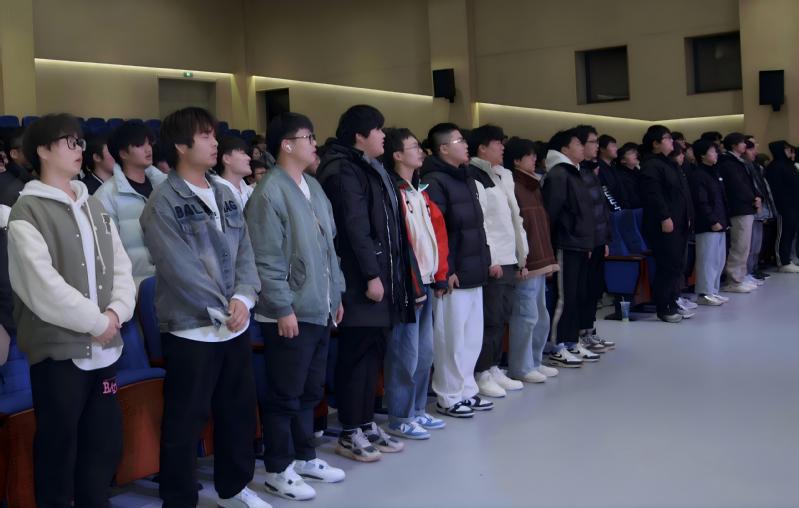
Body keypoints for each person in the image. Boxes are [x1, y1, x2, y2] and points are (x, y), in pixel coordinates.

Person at [140, 107, 268, 508]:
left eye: (214, 135)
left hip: (234, 324)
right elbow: (180, 269)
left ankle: (234, 488)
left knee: (238, 412)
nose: (215, 143)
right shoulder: (163, 202)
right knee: (186, 420)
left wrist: (244, 298)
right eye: (206, 136)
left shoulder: (225, 193)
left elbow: (245, 251)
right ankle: (179, 498)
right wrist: (224, 306)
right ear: (181, 146)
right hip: (192, 327)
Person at [7, 113, 136, 507]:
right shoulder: (27, 211)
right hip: (60, 353)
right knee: (59, 449)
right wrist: (97, 322)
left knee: (103, 444)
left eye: (80, 141)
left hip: (105, 347)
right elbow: (42, 287)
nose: (79, 148)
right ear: (43, 151)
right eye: (69, 141)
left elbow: (121, 267)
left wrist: (116, 313)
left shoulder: (93, 205)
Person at [246, 113, 346, 501]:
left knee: (309, 390)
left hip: (318, 306)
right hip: (289, 312)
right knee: (284, 394)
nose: (315, 144)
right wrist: (282, 308)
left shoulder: (313, 187)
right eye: (309, 137)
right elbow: (266, 259)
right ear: (286, 145)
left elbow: (329, 248)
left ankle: (305, 457)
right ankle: (278, 468)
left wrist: (336, 295)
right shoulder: (269, 192)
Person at [316, 105, 410, 461]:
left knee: (373, 354)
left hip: (380, 275)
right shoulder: (342, 170)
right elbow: (355, 228)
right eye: (378, 129)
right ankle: (350, 430)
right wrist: (371, 275)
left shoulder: (368, 167)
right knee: (356, 355)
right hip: (359, 280)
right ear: (359, 135)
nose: (384, 136)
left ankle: (366, 422)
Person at [420, 122, 494, 417]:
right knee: (451, 338)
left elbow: (477, 226)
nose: (466, 145)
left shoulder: (465, 177)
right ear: (443, 148)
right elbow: (436, 231)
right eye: (459, 141)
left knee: (472, 336)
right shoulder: (434, 181)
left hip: (474, 268)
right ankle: (448, 395)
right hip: (454, 273)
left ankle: (467, 390)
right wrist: (446, 269)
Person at [381, 127, 449, 438]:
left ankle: (418, 410)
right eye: (413, 147)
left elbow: (435, 236)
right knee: (404, 354)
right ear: (397, 155)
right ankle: (400, 415)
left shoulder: (419, 190)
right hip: (408, 285)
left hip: (428, 278)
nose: (420, 151)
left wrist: (440, 273)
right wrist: (412, 283)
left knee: (425, 353)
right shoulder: (393, 191)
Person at [467, 124, 529, 398]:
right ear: (482, 148)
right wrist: (490, 258)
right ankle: (481, 372)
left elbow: (515, 218)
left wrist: (522, 255)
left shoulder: (502, 175)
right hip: (494, 258)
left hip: (510, 255)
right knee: (490, 319)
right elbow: (482, 223)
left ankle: (493, 367)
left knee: (502, 316)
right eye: (497, 143)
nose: (502, 147)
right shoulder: (475, 175)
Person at [503, 137, 560, 383]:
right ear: (516, 160)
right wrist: (521, 260)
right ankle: (521, 367)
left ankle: (535, 361)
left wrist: (549, 260)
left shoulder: (533, 185)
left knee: (540, 315)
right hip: (526, 261)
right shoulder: (514, 185)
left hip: (539, 258)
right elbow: (517, 229)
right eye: (530, 155)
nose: (535, 159)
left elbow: (541, 227)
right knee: (525, 316)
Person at [541, 128, 594, 365]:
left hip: (579, 243)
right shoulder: (558, 174)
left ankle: (572, 340)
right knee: (564, 297)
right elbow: (551, 214)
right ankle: (556, 345)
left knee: (577, 295)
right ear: (564, 149)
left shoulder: (574, 172)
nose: (582, 147)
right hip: (565, 242)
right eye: (578, 144)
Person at [95, 121, 167, 285]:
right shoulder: (107, 195)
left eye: (149, 143)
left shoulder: (164, 186)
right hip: (135, 285)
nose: (148, 149)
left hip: (170, 281)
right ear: (123, 153)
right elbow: (107, 251)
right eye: (140, 145)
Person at [638, 125, 694, 323]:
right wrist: (664, 217)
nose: (672, 142)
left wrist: (687, 215)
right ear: (655, 143)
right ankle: (664, 307)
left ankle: (673, 301)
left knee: (677, 264)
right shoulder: (651, 165)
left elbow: (682, 193)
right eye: (667, 138)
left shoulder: (669, 163)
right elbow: (653, 195)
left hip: (679, 220)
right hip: (663, 222)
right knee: (667, 265)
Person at [576, 125, 615, 354]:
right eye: (592, 142)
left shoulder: (591, 171)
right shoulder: (576, 173)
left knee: (594, 288)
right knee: (584, 289)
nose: (596, 146)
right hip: (586, 243)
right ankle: (581, 332)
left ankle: (590, 330)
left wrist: (605, 238)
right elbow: (583, 212)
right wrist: (589, 240)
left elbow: (601, 209)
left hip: (599, 240)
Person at [718, 132, 761, 293]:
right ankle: (733, 279)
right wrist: (752, 198)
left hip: (746, 206)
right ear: (734, 145)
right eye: (742, 142)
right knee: (740, 244)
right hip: (739, 207)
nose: (745, 145)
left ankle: (741, 276)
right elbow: (737, 186)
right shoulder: (728, 163)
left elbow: (749, 183)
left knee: (745, 245)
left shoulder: (738, 161)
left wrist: (757, 196)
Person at [688, 139, 729, 306]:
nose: (715, 154)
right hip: (707, 224)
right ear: (702, 155)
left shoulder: (714, 172)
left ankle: (713, 290)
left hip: (720, 222)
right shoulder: (698, 175)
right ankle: (704, 293)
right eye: (712, 151)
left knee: (718, 260)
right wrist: (712, 219)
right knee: (707, 260)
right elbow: (701, 201)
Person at [743, 136, 775, 282]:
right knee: (749, 244)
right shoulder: (743, 166)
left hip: (760, 207)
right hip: (750, 207)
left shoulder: (756, 167)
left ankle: (754, 269)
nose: (755, 151)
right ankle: (747, 272)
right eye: (752, 148)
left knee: (757, 243)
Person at [765, 141, 799, 272]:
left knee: (791, 232)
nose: (790, 151)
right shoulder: (775, 166)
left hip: (793, 204)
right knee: (783, 233)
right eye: (786, 149)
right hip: (783, 205)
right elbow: (776, 189)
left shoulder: (789, 165)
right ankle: (783, 261)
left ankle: (788, 259)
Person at [212, 135, 253, 210]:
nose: (249, 158)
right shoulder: (214, 193)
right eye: (243, 153)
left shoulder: (250, 191)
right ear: (226, 159)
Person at [613, 142, 643, 209]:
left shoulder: (636, 170)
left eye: (635, 152)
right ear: (623, 160)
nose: (635, 155)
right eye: (630, 153)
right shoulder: (622, 176)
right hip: (633, 210)